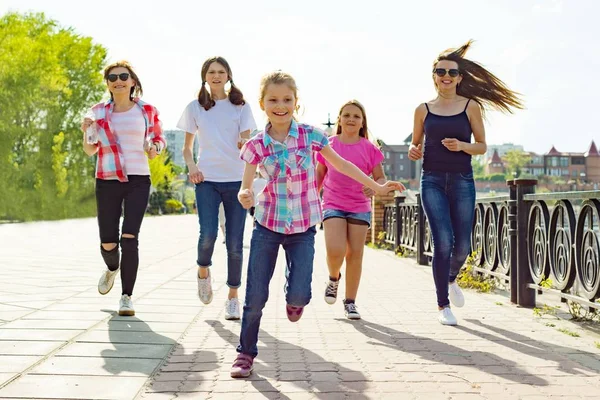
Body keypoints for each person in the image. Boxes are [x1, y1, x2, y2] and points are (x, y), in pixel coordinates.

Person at [230, 71, 405, 378]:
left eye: (287, 99)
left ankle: (293, 297)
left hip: (302, 229)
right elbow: (247, 184)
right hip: (267, 225)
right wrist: (245, 195)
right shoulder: (257, 144)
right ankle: (245, 353)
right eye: (273, 99)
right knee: (255, 295)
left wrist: (376, 187)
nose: (280, 105)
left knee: (300, 296)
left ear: (296, 103)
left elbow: (343, 164)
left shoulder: (311, 136)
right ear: (262, 103)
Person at [409, 40, 523, 326]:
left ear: (459, 78)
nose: (445, 76)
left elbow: (483, 146)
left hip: (462, 180)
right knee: (443, 242)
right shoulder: (422, 110)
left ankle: (450, 279)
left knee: (463, 247)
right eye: (440, 71)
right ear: (433, 75)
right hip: (431, 179)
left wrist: (462, 145)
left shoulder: (471, 107)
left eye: (451, 72)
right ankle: (442, 305)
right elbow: (415, 144)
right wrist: (413, 150)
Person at [81, 60, 166, 317]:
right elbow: (89, 150)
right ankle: (111, 267)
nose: (118, 80)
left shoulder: (147, 110)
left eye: (123, 76)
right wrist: (86, 132)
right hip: (106, 179)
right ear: (107, 83)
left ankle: (126, 296)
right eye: (113, 77)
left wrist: (155, 148)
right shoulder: (96, 112)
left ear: (132, 81)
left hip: (138, 179)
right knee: (108, 242)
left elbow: (159, 140)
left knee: (130, 239)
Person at [178, 56, 256, 320]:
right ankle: (203, 271)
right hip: (207, 180)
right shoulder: (195, 107)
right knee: (208, 233)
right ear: (204, 76)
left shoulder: (241, 107)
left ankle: (233, 298)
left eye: (221, 72)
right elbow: (187, 149)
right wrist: (192, 168)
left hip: (236, 181)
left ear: (228, 75)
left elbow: (248, 142)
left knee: (235, 243)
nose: (216, 76)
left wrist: (242, 144)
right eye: (211, 72)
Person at [316, 100, 385, 320]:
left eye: (356, 116)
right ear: (339, 119)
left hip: (359, 206)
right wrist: (310, 202)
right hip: (333, 203)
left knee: (355, 254)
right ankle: (333, 278)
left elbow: (380, 177)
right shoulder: (328, 145)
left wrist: (374, 187)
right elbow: (319, 175)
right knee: (335, 250)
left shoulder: (369, 148)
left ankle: (350, 302)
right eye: (346, 115)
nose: (351, 119)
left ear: (362, 121)